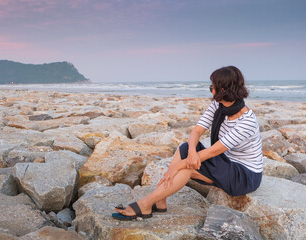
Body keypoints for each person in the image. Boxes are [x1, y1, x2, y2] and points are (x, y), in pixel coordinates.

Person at [112, 66, 263, 221]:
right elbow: (196, 131)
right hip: (227, 162)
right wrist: (191, 151)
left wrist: (176, 167)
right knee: (185, 148)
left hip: (245, 175)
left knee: (188, 167)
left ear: (223, 89)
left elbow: (212, 152)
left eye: (212, 87)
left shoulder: (246, 122)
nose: (211, 90)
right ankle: (159, 199)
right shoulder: (219, 105)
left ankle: (146, 203)